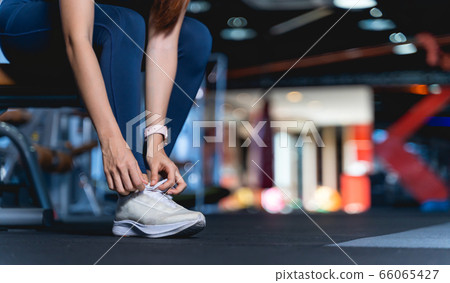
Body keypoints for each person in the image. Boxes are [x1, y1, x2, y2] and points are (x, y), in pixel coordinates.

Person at [0, 0, 212, 238]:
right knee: (124, 22)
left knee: (194, 37)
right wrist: (112, 142)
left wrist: (156, 143)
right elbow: (77, 37)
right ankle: (135, 198)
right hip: (32, 28)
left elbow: (163, 41)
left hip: (112, 37)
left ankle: (145, 183)